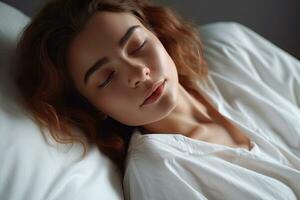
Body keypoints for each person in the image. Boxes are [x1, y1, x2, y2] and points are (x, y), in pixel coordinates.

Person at [15, 0, 300, 199]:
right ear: (92, 107)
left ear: (157, 33)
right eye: (106, 78)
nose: (138, 72)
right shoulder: (160, 175)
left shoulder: (232, 48)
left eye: (138, 45)